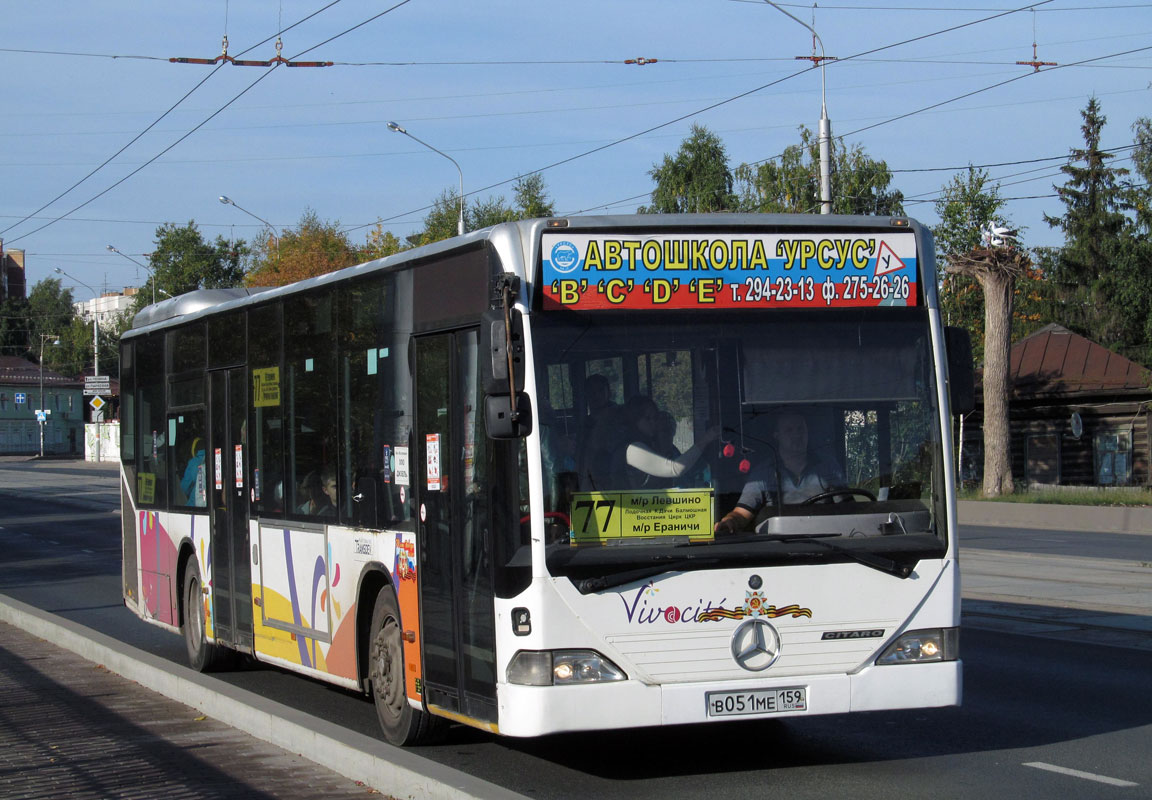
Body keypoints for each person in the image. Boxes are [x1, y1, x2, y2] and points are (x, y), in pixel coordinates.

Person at [715, 411, 845, 534]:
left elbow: (847, 507)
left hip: (826, 543)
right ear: (777, 435)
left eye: (801, 429)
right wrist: (729, 522)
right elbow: (742, 513)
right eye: (789, 430)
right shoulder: (763, 474)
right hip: (779, 547)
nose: (797, 435)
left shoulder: (828, 467)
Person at [611, 395, 718, 489]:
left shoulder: (652, 445)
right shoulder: (632, 449)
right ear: (634, 420)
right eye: (648, 418)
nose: (653, 422)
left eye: (655, 417)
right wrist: (706, 439)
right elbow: (674, 469)